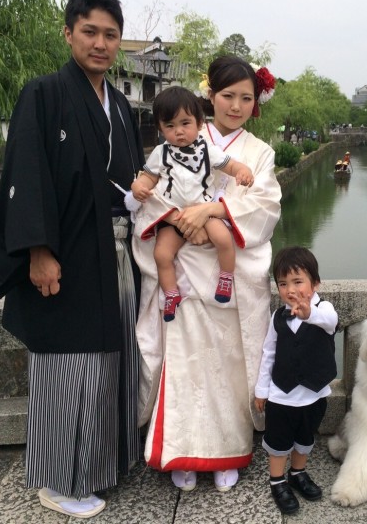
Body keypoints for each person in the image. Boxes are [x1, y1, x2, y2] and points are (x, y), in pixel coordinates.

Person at [0, 0, 144, 518]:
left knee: (110, 364)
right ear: (69, 33)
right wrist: (37, 251)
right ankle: (59, 480)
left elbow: (132, 181)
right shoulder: (45, 93)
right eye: (89, 32)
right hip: (68, 255)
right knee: (69, 366)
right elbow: (26, 174)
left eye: (110, 35)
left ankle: (102, 466)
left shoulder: (119, 105)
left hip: (117, 254)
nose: (100, 44)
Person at [132, 55, 281, 492]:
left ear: (256, 103)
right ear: (209, 95)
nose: (236, 106)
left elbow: (266, 207)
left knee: (228, 367)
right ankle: (180, 449)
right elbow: (153, 194)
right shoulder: (180, 137)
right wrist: (184, 220)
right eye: (227, 95)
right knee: (184, 362)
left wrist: (212, 211)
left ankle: (228, 450)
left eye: (246, 98)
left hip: (228, 275)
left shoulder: (260, 152)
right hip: (181, 269)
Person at [130, 86, 254, 321]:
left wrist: (242, 171)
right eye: (170, 126)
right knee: (162, 254)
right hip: (173, 216)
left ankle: (226, 277)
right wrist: (138, 186)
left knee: (223, 239)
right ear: (160, 128)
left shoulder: (208, 150)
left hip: (204, 211)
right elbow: (148, 177)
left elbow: (230, 165)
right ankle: (171, 293)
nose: (178, 131)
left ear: (199, 123)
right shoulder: (160, 153)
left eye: (185, 123)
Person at [254, 246, 337, 515]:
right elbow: (269, 353)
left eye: (298, 282)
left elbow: (330, 321)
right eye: (283, 283)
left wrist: (308, 314)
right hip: (281, 394)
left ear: (315, 283)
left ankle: (298, 472)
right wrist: (262, 390)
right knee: (278, 441)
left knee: (305, 437)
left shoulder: (324, 310)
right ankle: (277, 481)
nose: (290, 290)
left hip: (314, 393)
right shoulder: (278, 316)